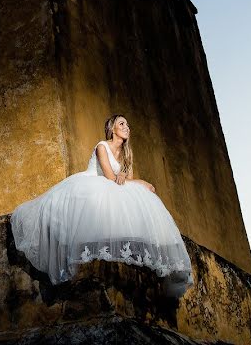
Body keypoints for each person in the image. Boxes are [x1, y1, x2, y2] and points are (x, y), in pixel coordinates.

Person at [10, 115, 192, 296]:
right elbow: (110, 177)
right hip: (94, 183)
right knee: (132, 192)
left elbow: (126, 182)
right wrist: (140, 182)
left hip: (113, 187)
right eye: (122, 124)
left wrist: (137, 182)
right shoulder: (102, 146)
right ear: (112, 129)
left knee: (142, 196)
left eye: (128, 124)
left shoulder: (127, 155)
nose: (127, 127)